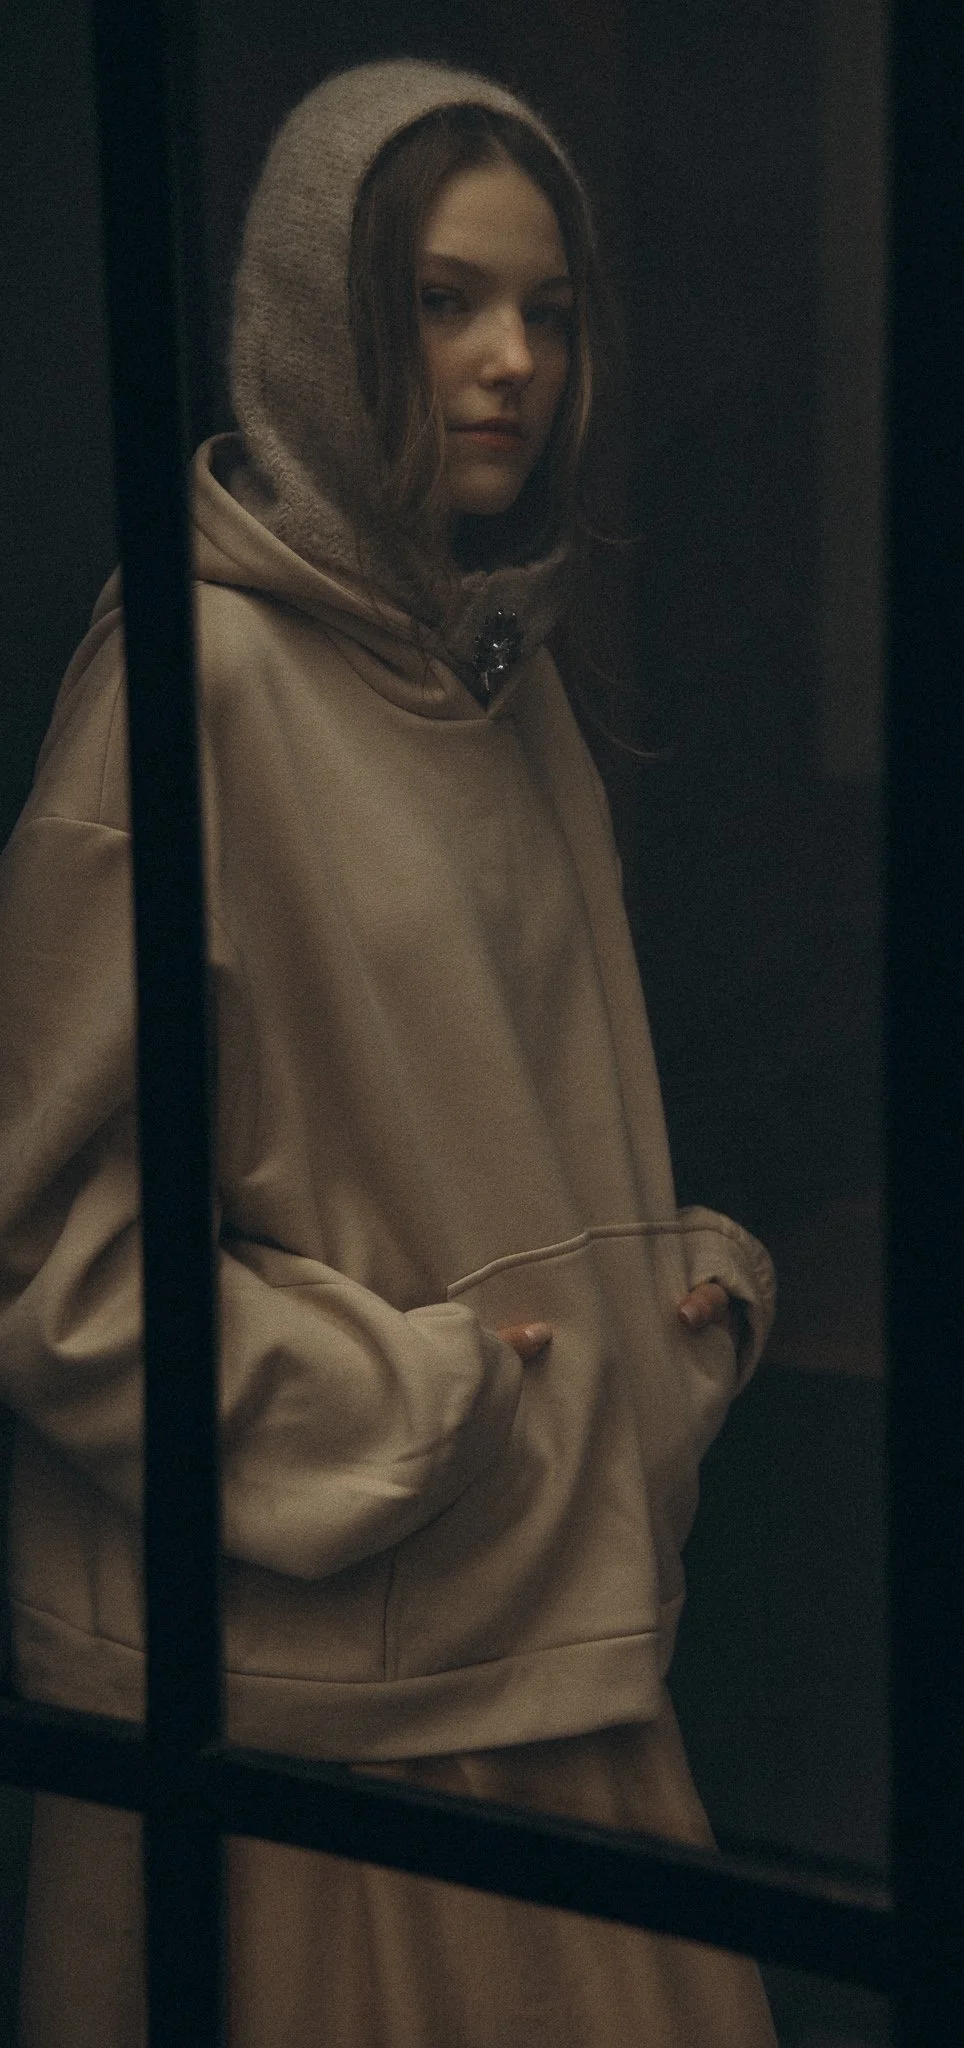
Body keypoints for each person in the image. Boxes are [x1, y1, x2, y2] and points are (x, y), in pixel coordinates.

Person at [0, 59, 779, 2047]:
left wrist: (647, 1280)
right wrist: (399, 1398)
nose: (511, 358)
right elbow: (32, 1246)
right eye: (444, 300)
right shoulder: (196, 680)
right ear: (314, 316)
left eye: (548, 308)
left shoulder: (504, 675)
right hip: (323, 1707)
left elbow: (493, 1115)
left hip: (543, 1639)